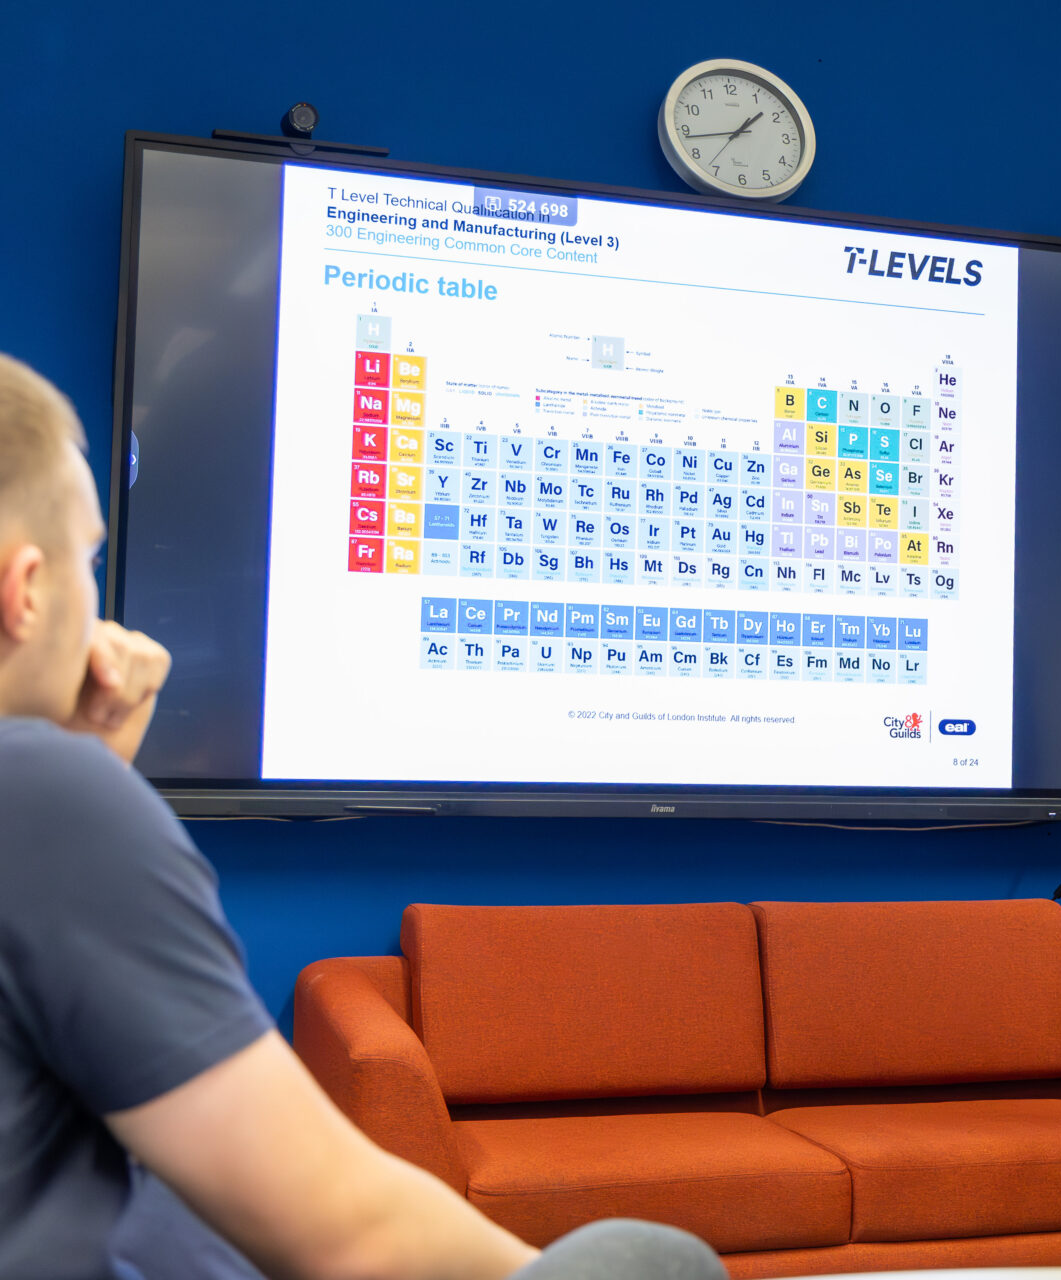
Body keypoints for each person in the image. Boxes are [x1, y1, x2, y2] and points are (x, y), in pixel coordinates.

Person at [0, 352, 727, 1280]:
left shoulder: (50, 803)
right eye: (90, 559)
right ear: (26, 591)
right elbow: (346, 1229)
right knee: (649, 1260)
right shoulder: (48, 798)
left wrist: (92, 765)